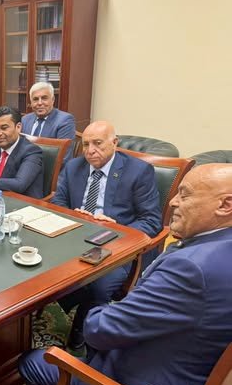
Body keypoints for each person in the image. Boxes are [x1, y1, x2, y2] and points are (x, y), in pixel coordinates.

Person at [19, 163, 232, 385]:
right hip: (190, 372)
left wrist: (103, 308)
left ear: (225, 205)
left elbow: (98, 330)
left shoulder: (191, 268)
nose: (173, 202)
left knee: (32, 360)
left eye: (185, 195)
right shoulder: (217, 249)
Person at [52, 120, 162, 350]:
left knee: (99, 285)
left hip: (116, 245)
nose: (90, 150)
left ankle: (84, 328)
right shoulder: (73, 167)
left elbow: (152, 221)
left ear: (115, 143)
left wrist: (118, 228)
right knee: (45, 268)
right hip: (75, 236)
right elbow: (58, 203)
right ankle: (71, 300)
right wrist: (74, 215)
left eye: (98, 143)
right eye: (85, 144)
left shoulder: (138, 171)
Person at [21, 82, 75, 167]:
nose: (39, 103)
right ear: (31, 102)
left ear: (53, 100)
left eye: (44, 98)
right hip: (25, 167)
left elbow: (63, 158)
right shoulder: (25, 119)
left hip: (50, 170)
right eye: (35, 99)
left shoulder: (65, 120)